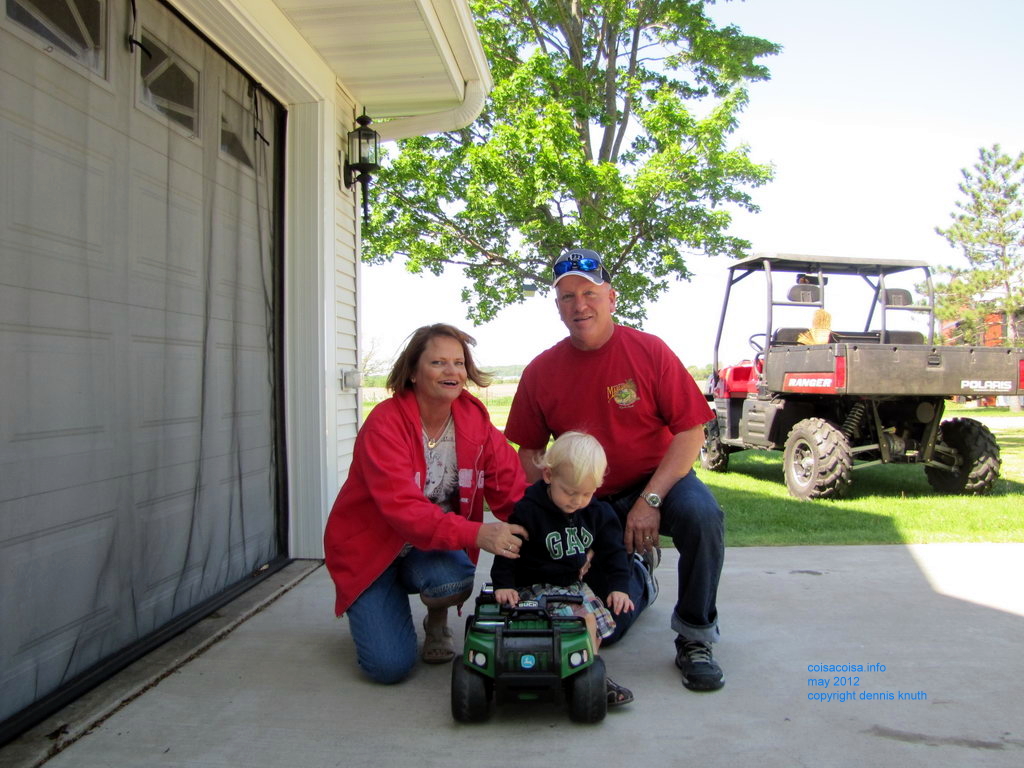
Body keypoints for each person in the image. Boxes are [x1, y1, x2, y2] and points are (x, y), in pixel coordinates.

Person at [505, 248, 726, 692]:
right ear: (557, 307)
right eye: (567, 296)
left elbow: (691, 432)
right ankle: (639, 572)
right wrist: (558, 512)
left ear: (612, 298)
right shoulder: (542, 371)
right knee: (612, 625)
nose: (579, 305)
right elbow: (529, 451)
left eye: (589, 292)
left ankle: (695, 636)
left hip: (657, 481)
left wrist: (651, 500)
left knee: (703, 517)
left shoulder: (649, 351)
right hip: (587, 496)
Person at [324, 323, 528, 684]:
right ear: (414, 372)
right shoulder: (385, 424)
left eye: (459, 363)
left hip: (429, 549)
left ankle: (436, 618)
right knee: (388, 669)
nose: (452, 372)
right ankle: (379, 602)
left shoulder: (475, 422)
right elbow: (404, 510)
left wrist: (551, 531)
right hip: (372, 549)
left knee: (453, 579)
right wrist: (477, 533)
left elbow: (512, 493)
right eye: (438, 363)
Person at [490, 431, 635, 707]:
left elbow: (613, 551)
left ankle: (586, 672)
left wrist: (619, 587)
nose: (576, 501)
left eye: (586, 493)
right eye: (569, 492)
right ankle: (588, 675)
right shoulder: (529, 510)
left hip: (575, 587)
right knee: (583, 621)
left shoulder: (597, 512)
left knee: (598, 623)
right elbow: (508, 549)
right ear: (548, 476)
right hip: (535, 588)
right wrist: (504, 584)